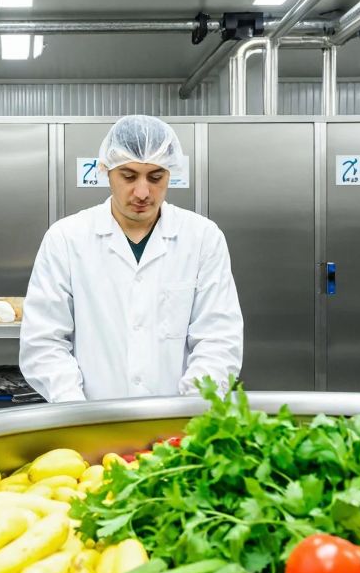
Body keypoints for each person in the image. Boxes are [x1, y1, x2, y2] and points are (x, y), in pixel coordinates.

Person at [19, 115, 243, 402]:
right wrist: (74, 409)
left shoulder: (202, 238)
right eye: (128, 176)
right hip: (89, 420)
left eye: (155, 177)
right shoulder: (66, 238)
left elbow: (218, 337)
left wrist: (190, 410)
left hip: (179, 424)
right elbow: (44, 341)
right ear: (106, 170)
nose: (142, 192)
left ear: (170, 173)